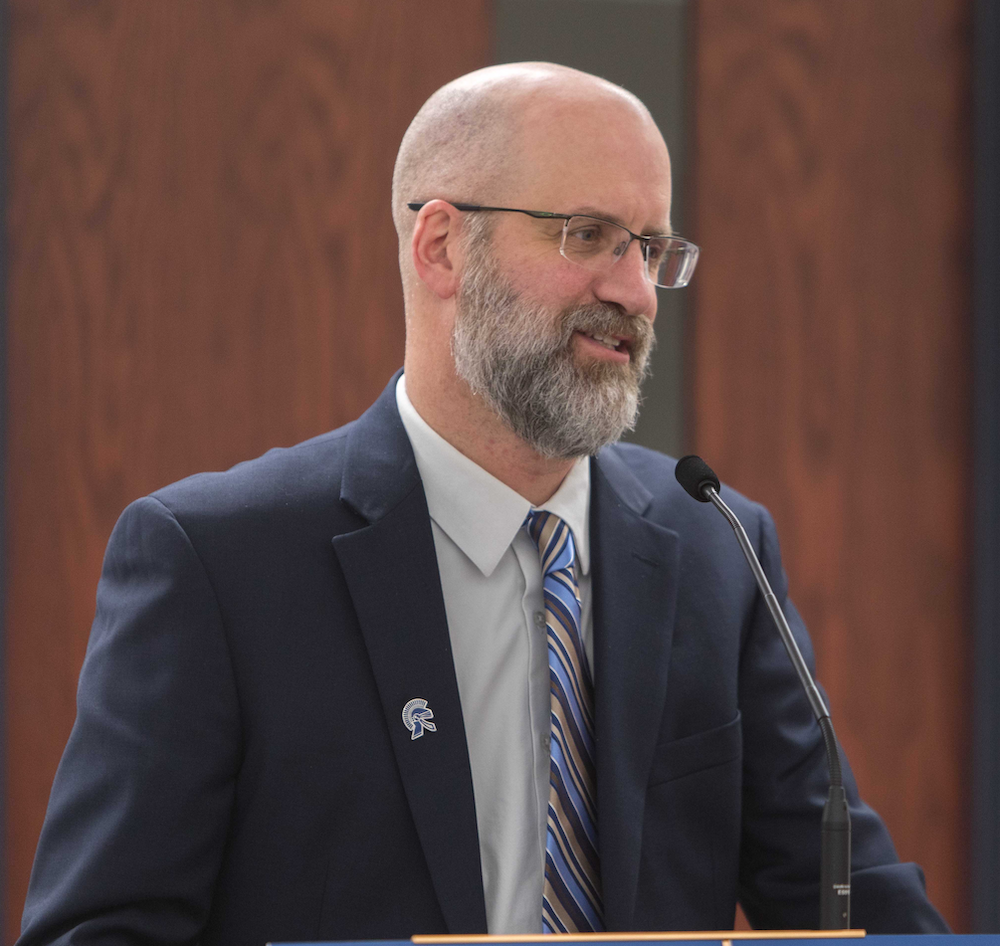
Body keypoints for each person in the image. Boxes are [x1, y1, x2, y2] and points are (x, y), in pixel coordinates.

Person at [18, 63, 948, 945]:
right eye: (587, 234)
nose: (635, 292)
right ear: (441, 246)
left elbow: (846, 900)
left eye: (651, 249)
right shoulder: (219, 563)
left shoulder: (716, 549)